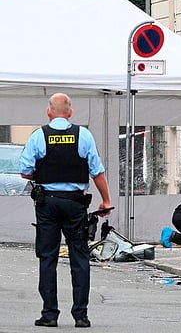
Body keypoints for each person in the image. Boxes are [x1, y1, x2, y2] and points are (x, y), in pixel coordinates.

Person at [20, 93, 112, 328]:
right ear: (70, 113)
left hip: (47, 203)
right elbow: (97, 172)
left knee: (47, 257)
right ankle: (81, 315)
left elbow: (25, 171)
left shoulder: (39, 135)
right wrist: (105, 200)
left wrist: (44, 172)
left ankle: (49, 314)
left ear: (48, 112)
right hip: (75, 203)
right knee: (79, 257)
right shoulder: (84, 135)